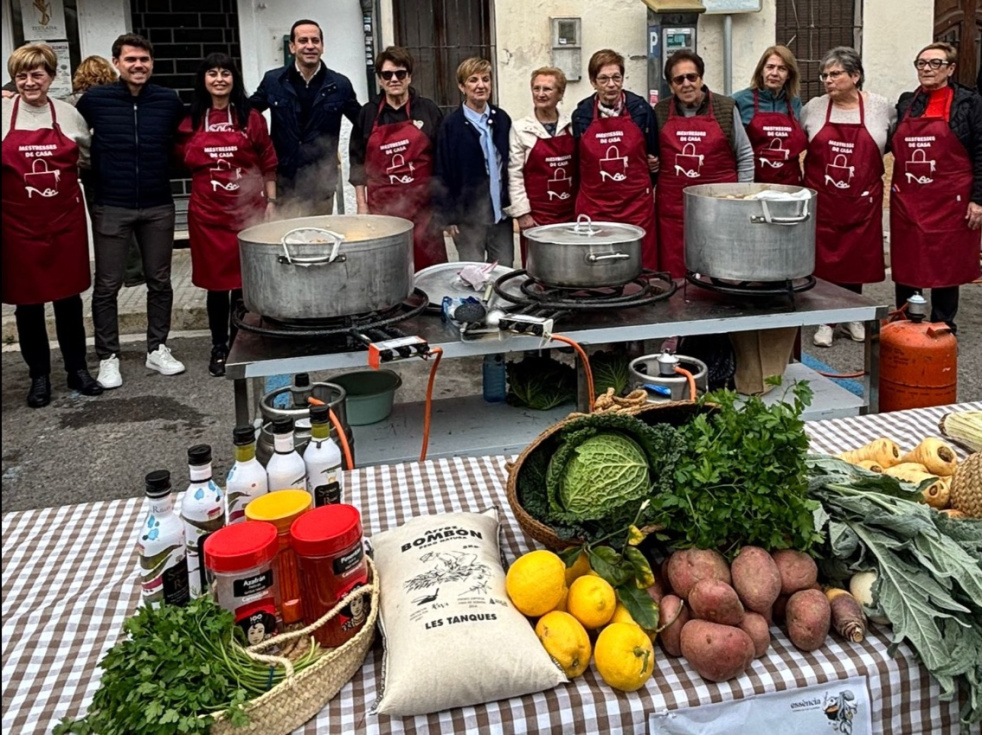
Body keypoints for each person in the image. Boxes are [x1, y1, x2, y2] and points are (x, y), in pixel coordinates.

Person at [76, 33, 186, 387]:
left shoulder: (168, 100)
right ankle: (108, 357)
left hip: (158, 203)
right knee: (107, 284)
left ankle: (158, 348)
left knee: (160, 280)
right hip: (112, 203)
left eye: (144, 60)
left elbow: (185, 140)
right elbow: (64, 125)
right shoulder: (95, 100)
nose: (138, 65)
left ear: (152, 63)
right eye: (130, 60)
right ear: (116, 63)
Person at [1, 43, 103, 407]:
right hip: (17, 225)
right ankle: (39, 376)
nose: (30, 83)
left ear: (52, 76)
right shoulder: (2, 113)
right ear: (14, 79)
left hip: (64, 222)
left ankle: (77, 370)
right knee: (28, 306)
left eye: (37, 74)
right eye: (22, 76)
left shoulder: (68, 114)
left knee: (69, 301)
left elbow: (87, 158)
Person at [179, 53, 278, 377]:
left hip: (245, 214)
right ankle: (218, 345)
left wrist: (272, 202)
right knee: (215, 286)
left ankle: (241, 341)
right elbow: (178, 158)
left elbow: (268, 161)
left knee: (242, 284)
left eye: (225, 73)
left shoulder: (250, 118)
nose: (219, 79)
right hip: (207, 216)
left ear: (234, 79)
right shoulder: (190, 119)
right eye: (212, 73)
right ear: (203, 80)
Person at [801, 46, 896, 347]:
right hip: (825, 200)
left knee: (857, 260)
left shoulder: (882, 107)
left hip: (861, 200)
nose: (827, 80)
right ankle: (825, 319)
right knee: (824, 262)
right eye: (824, 75)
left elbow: (891, 143)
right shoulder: (813, 108)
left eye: (835, 74)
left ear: (855, 76)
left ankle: (854, 314)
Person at [891, 42, 982, 334]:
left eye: (935, 63)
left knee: (947, 261)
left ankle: (943, 323)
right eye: (921, 63)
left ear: (950, 69)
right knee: (907, 260)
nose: (927, 69)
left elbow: (981, 151)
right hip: (909, 199)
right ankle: (905, 322)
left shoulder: (969, 102)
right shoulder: (907, 102)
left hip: (951, 199)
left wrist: (978, 200)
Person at [655, 50, 754, 278]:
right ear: (671, 86)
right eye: (679, 79)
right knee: (676, 277)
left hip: (721, 211)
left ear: (701, 79)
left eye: (692, 77)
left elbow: (745, 155)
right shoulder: (660, 112)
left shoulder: (725, 108)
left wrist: (743, 199)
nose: (687, 84)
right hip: (674, 215)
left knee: (720, 272)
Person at [249, 19, 360, 216]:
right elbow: (247, 113)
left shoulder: (340, 85)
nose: (310, 46)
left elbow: (364, 123)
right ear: (292, 46)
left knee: (317, 241)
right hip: (283, 183)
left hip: (321, 185)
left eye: (315, 41)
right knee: (283, 241)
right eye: (303, 41)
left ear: (322, 47)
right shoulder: (273, 81)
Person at [349, 45, 445, 271]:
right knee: (388, 270)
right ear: (380, 80)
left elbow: (442, 163)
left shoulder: (428, 110)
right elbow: (356, 164)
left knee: (428, 271)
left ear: (409, 77)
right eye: (387, 75)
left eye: (400, 74)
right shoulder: (368, 113)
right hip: (382, 212)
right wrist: (362, 207)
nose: (394, 79)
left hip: (424, 211)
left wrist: (443, 207)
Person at [572, 49, 658, 270]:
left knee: (639, 262)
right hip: (596, 206)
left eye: (616, 77)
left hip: (636, 205)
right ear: (593, 82)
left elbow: (653, 153)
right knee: (598, 263)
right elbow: (577, 160)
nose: (611, 84)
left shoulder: (641, 110)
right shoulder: (581, 114)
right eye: (603, 79)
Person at [68, 55, 145, 289]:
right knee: (128, 217)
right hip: (117, 166)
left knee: (102, 222)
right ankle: (133, 270)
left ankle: (113, 270)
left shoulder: (73, 104)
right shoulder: (115, 99)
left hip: (89, 170)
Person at [434, 57, 514, 266]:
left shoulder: (502, 119)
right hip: (468, 218)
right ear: (462, 86)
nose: (481, 85)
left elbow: (510, 164)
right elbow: (443, 172)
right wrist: (448, 217)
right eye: (473, 80)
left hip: (501, 216)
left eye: (485, 79)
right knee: (472, 274)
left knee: (504, 272)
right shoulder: (451, 125)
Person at [505, 66, 577, 265]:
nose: (540, 94)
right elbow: (514, 174)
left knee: (570, 267)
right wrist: (522, 214)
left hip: (570, 214)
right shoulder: (520, 129)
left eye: (547, 89)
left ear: (560, 94)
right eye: (536, 89)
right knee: (539, 269)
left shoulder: (572, 124)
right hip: (537, 217)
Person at [733, 45, 806, 185]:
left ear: (789, 74)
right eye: (770, 67)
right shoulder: (739, 100)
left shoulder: (794, 103)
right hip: (753, 184)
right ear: (761, 70)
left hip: (789, 185)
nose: (774, 73)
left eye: (782, 69)